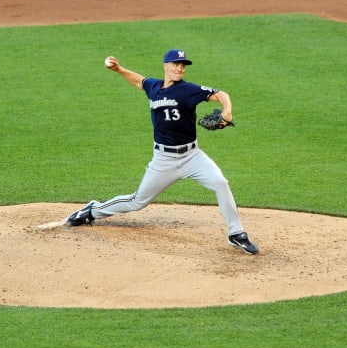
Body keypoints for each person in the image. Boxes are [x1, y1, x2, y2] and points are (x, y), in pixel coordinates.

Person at [64, 49, 258, 254]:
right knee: (137, 202)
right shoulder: (154, 86)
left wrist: (227, 110)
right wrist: (119, 69)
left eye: (182, 65)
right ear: (166, 66)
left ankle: (236, 234)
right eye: (175, 64)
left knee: (221, 183)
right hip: (163, 160)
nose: (179, 68)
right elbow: (139, 81)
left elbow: (221, 94)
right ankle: (93, 211)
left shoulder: (188, 90)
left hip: (192, 156)